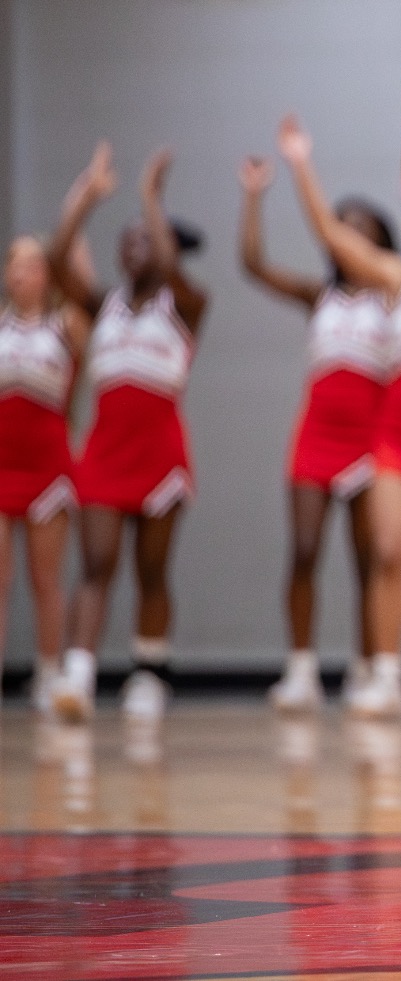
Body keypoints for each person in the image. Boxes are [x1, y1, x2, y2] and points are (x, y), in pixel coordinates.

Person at [274, 119, 401, 721]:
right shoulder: (399, 279)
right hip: (397, 435)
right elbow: (335, 240)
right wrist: (301, 165)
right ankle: (387, 674)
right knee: (389, 550)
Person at [46, 143, 208, 722]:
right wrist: (84, 198)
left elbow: (169, 262)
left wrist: (149, 199)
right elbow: (58, 255)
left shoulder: (186, 304)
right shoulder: (102, 306)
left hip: (160, 451)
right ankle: (79, 676)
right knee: (95, 563)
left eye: (146, 240)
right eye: (129, 241)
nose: (136, 248)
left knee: (152, 571)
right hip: (107, 451)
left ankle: (149, 672)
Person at [239, 150, 397, 712]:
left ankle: (368, 668)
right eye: (342, 225)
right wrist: (255, 196)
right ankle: (301, 671)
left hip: (372, 438)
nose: (349, 235)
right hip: (317, 435)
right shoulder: (318, 296)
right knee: (304, 549)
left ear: (379, 242)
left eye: (362, 228)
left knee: (371, 559)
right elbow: (253, 264)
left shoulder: (393, 295)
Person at [0, 234, 90, 712]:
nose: (21, 275)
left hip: (48, 465)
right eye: (14, 266)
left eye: (33, 266)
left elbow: (88, 306)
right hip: (1, 463)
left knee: (44, 577)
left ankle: (48, 673)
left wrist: (75, 263)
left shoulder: (65, 324)